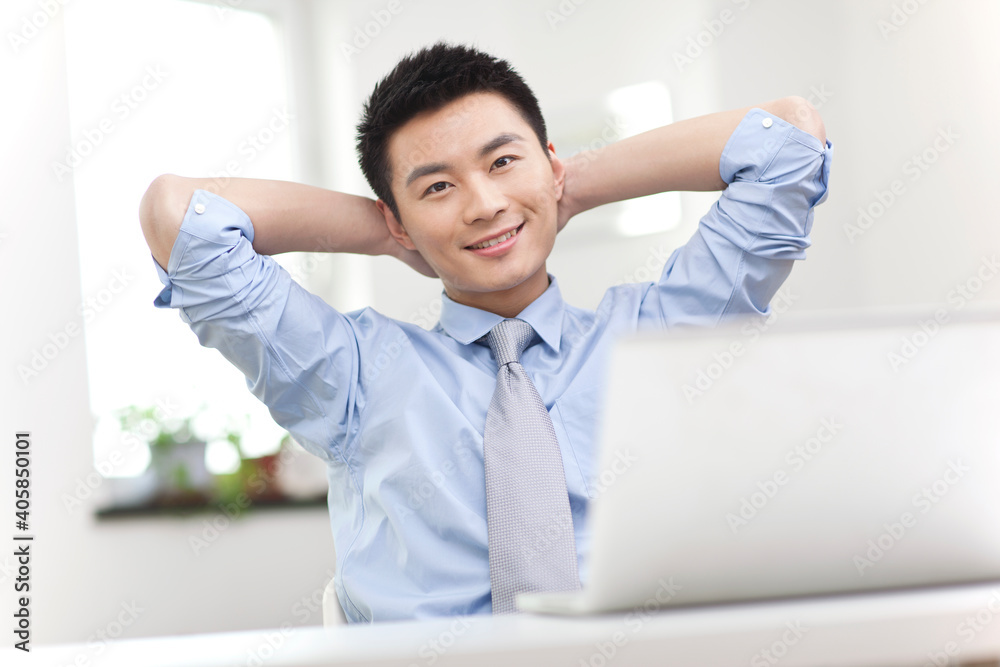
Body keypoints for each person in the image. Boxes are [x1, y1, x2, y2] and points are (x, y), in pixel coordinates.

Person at [139, 41, 832, 623]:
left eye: (503, 162)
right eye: (437, 187)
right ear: (399, 217)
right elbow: (179, 215)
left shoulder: (658, 338)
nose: (484, 204)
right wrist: (386, 234)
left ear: (549, 162)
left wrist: (571, 185)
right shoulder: (351, 374)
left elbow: (788, 140)